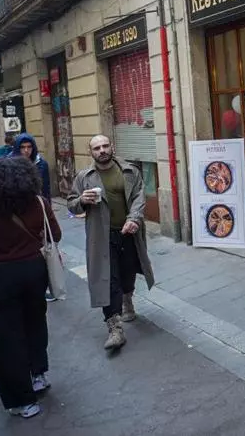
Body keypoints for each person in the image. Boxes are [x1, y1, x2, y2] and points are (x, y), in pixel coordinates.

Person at [0, 157, 60, 419]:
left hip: (3, 276)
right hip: (35, 270)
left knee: (7, 337)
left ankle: (23, 400)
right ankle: (39, 374)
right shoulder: (39, 203)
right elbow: (56, 235)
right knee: (35, 322)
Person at [66, 135, 155, 350]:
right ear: (91, 152)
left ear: (112, 147)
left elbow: (139, 196)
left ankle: (127, 298)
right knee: (108, 279)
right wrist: (81, 200)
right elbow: (71, 204)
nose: (102, 150)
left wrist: (134, 218)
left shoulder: (129, 171)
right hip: (102, 236)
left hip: (128, 232)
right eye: (97, 148)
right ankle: (115, 328)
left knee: (128, 271)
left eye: (105, 146)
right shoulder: (84, 177)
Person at [12, 134, 51, 200]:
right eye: (22, 147)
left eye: (29, 147)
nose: (26, 150)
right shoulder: (10, 165)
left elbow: (46, 190)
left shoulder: (41, 164)